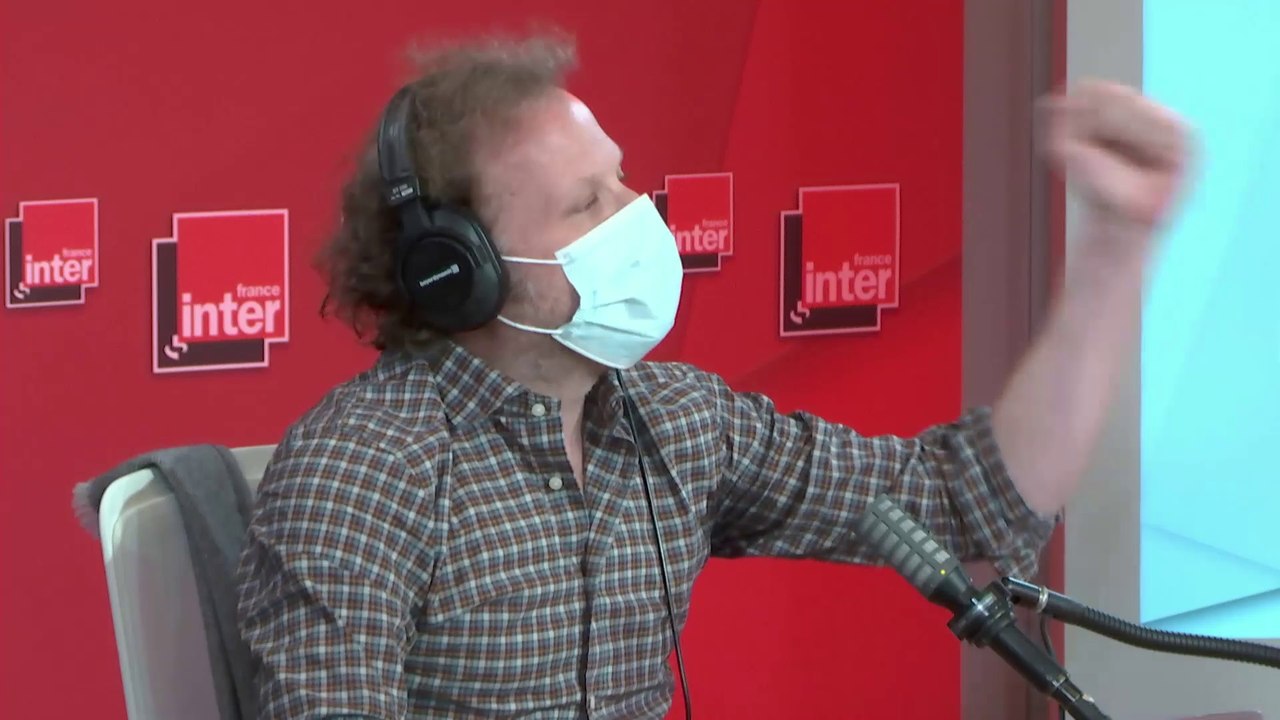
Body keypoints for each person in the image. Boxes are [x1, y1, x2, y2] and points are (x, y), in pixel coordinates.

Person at [234, 32, 1189, 720]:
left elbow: (966, 503)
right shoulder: (363, 472)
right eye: (585, 204)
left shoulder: (678, 419)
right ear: (458, 272)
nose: (639, 214)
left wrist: (1117, 244)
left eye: (621, 177)